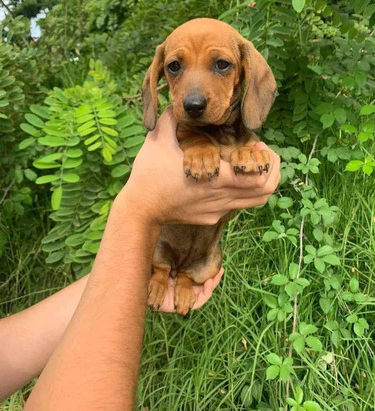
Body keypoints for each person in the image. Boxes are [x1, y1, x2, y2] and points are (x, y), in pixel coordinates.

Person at [0, 108, 280, 410]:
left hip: (201, 258)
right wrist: (140, 209)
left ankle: (179, 275)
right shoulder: (186, 132)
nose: (194, 95)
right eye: (174, 66)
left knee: (205, 266)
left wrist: (127, 276)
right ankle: (162, 271)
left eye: (221, 65)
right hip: (165, 247)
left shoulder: (239, 130)